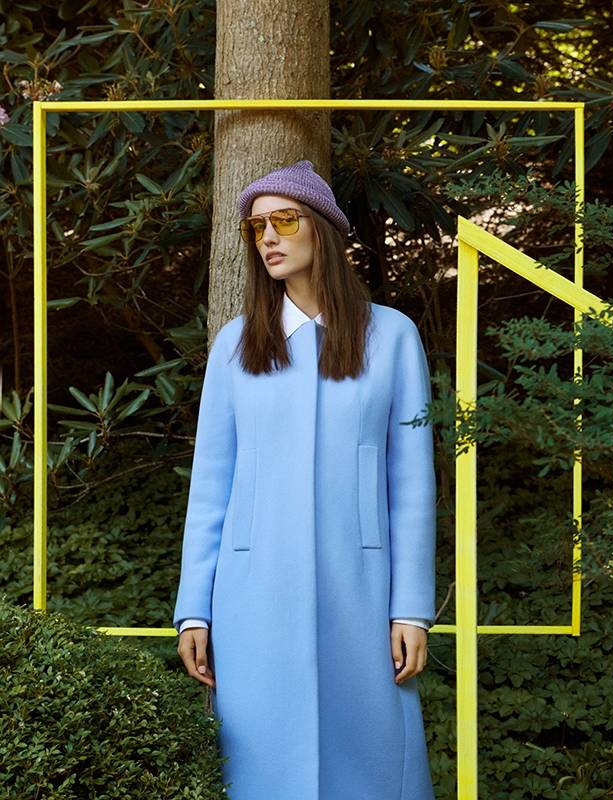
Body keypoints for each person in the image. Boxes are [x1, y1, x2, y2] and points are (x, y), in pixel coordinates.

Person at [173, 159, 437, 800]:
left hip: (362, 586)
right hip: (252, 591)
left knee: (374, 755)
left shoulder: (392, 336)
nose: (267, 237)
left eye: (284, 220)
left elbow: (411, 485)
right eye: (256, 226)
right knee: (260, 761)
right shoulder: (236, 345)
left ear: (323, 227)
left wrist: (411, 606)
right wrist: (193, 610)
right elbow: (211, 485)